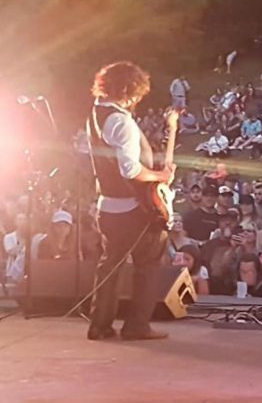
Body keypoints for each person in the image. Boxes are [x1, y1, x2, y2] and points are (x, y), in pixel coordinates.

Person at [86, 62, 177, 341]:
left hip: (108, 206)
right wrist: (160, 175)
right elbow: (131, 169)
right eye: (137, 93)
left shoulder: (96, 113)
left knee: (109, 266)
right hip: (134, 208)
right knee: (147, 266)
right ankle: (137, 325)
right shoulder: (121, 121)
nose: (138, 99)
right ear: (128, 90)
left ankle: (100, 325)